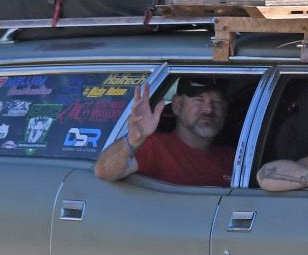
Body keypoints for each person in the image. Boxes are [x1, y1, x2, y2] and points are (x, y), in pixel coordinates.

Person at [94, 76, 235, 187]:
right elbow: (104, 171)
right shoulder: (155, 147)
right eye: (199, 100)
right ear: (178, 106)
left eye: (217, 102)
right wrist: (132, 141)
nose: (209, 109)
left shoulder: (235, 158)